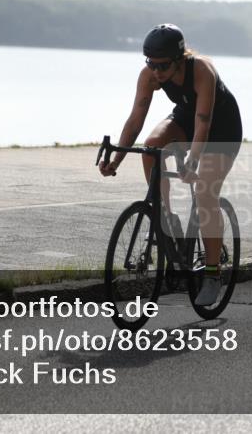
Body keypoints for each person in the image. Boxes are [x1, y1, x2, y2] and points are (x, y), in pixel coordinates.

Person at [98, 24, 242, 306]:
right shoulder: (150, 76)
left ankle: (212, 273)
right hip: (186, 119)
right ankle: (166, 216)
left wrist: (193, 161)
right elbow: (136, 119)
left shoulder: (201, 70)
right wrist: (115, 159)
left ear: (179, 59)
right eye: (151, 63)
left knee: (204, 194)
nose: (157, 71)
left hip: (221, 130)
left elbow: (204, 122)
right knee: (152, 147)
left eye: (163, 65)